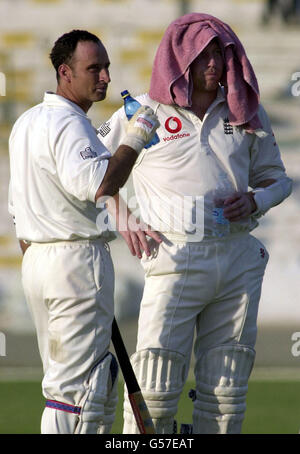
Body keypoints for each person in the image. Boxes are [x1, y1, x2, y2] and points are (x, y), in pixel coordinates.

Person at [100, 13, 293, 434]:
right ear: (179, 59)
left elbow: (279, 181)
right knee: (154, 390)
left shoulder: (245, 110)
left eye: (219, 55)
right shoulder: (143, 111)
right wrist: (122, 216)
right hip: (175, 255)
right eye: (201, 56)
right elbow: (94, 174)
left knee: (225, 392)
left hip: (237, 259)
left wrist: (255, 199)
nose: (213, 64)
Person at [8, 29, 160, 434]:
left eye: (107, 67)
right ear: (65, 72)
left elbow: (16, 214)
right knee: (78, 396)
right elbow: (101, 185)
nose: (106, 77)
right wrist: (137, 135)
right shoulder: (69, 124)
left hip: (38, 260)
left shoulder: (26, 122)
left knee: (71, 389)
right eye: (94, 68)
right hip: (74, 262)